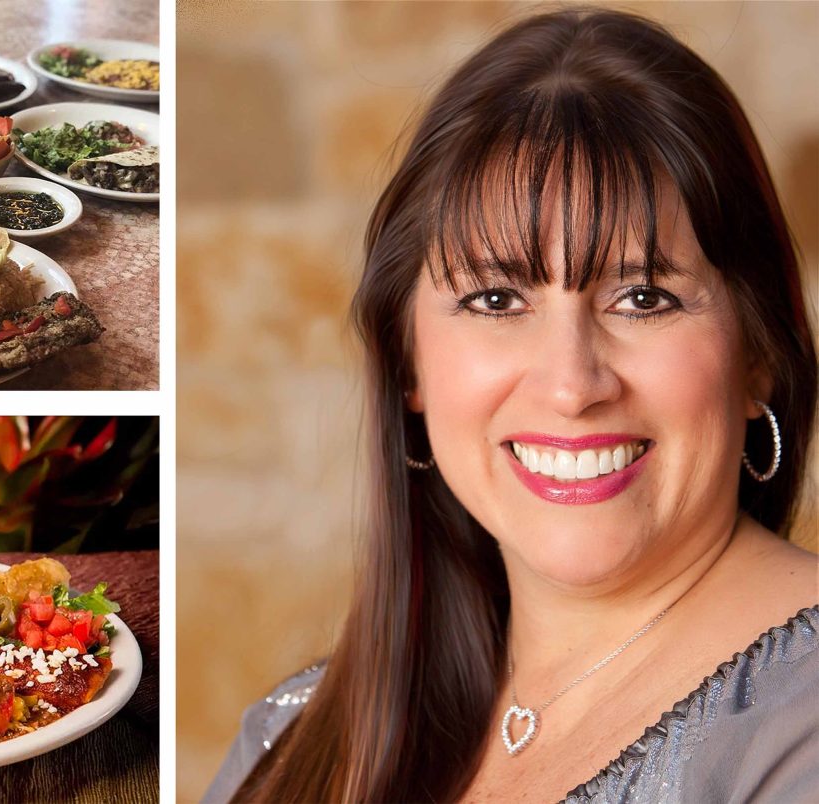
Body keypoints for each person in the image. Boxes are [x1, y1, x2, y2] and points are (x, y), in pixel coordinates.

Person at [204, 7, 818, 803]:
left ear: (759, 357)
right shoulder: (298, 737)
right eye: (496, 299)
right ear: (408, 359)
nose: (571, 384)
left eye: (644, 297)